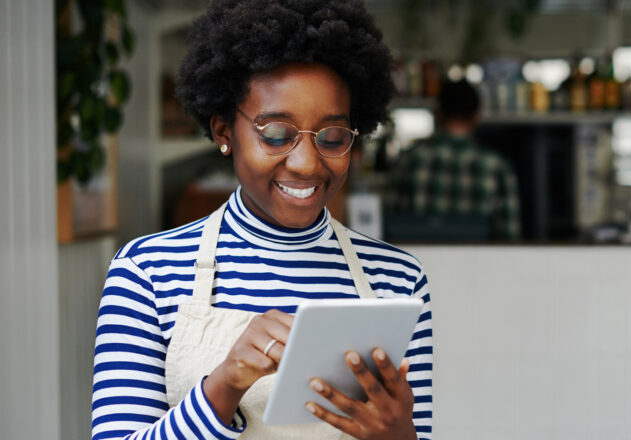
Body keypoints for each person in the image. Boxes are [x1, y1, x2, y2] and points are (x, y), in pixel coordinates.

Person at [90, 1, 432, 439]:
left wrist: (399, 436)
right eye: (275, 134)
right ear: (223, 131)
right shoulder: (147, 272)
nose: (307, 164)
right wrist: (225, 384)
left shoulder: (398, 281)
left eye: (332, 137)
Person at [387, 79, 521, 241]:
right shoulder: (497, 167)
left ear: (438, 114)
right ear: (477, 116)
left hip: (420, 262)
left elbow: (389, 226)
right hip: (479, 264)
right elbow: (509, 237)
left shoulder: (409, 160)